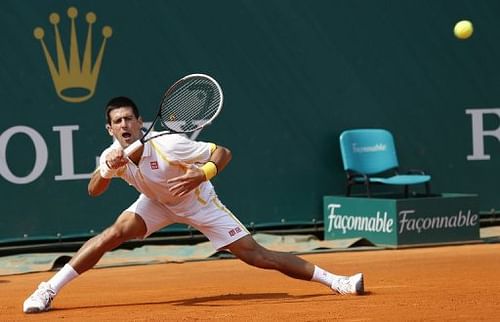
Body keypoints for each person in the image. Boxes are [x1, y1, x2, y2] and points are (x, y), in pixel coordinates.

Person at [23, 96, 364, 313]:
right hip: (157, 202)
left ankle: (338, 281)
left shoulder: (170, 145)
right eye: (118, 121)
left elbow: (224, 152)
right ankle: (48, 289)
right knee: (113, 233)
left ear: (140, 123)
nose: (124, 125)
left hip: (198, 201)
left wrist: (202, 174)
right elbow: (93, 190)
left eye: (130, 119)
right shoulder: (112, 155)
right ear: (109, 128)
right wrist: (105, 169)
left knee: (257, 256)